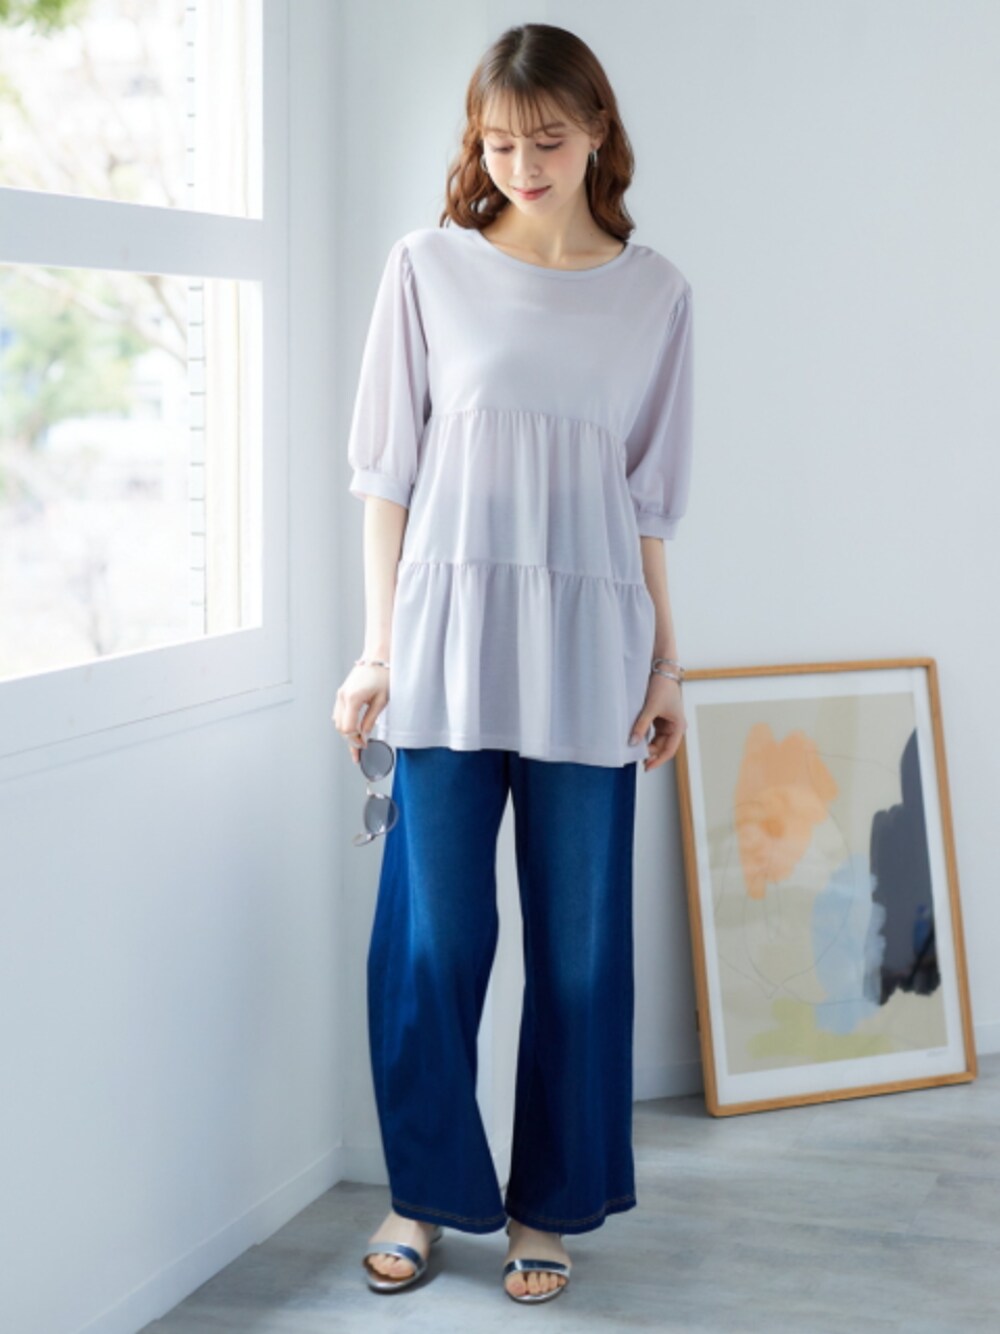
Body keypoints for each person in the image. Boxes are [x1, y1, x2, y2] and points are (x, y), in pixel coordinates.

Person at [331, 22, 694, 1306]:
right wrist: (376, 649)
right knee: (432, 941)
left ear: (596, 131)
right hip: (444, 645)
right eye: (497, 144)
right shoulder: (426, 267)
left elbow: (648, 503)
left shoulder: (654, 293)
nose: (522, 166)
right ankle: (426, 1193)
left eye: (546, 140)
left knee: (580, 951)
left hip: (592, 653)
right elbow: (385, 478)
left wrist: (668, 665)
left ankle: (550, 1202)